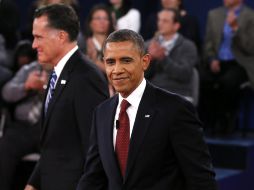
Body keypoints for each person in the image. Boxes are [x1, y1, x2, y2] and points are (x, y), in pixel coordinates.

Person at [77, 29, 217, 190]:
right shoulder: (101, 113)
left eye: (126, 61)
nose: (117, 70)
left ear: (145, 61)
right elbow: (93, 176)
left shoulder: (175, 110)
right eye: (110, 62)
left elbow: (201, 178)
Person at [25, 4, 109, 190]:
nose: (34, 45)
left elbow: (96, 150)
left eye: (39, 37)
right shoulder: (58, 74)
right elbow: (54, 144)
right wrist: (33, 183)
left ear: (61, 36)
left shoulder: (86, 78)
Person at [200, 0, 254, 135]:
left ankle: (226, 120)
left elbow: (250, 47)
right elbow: (208, 43)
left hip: (239, 63)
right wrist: (212, 59)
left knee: (228, 82)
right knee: (202, 79)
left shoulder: (250, 16)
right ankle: (208, 121)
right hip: (218, 61)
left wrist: (236, 28)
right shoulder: (214, 14)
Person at [0, 61, 48, 190]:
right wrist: (26, 86)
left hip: (49, 129)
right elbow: (6, 93)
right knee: (5, 146)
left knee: (57, 151)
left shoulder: (66, 72)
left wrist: (44, 88)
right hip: (22, 127)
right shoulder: (29, 69)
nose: (36, 46)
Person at [146, 8, 199, 105]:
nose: (160, 24)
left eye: (165, 21)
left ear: (176, 26)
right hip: (153, 92)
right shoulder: (148, 45)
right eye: (159, 20)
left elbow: (185, 75)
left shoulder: (187, 46)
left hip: (178, 93)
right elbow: (140, 77)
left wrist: (163, 58)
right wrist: (151, 59)